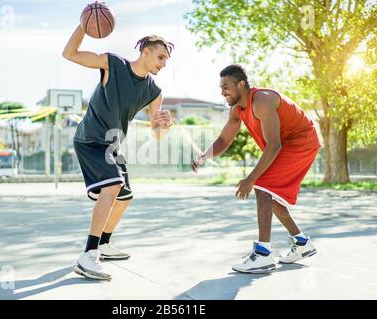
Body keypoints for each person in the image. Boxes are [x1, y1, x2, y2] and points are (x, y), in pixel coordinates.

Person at [62, 24, 174, 280]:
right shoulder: (113, 64)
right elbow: (70, 53)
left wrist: (164, 124)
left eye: (166, 60)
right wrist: (84, 25)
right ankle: (88, 255)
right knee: (112, 188)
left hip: (112, 146)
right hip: (91, 139)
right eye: (160, 57)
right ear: (145, 52)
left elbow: (157, 134)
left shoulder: (154, 91)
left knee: (124, 196)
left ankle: (103, 244)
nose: (163, 64)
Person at [192, 65, 321, 273]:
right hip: (285, 144)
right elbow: (225, 139)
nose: (222, 92)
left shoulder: (262, 100)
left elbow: (274, 145)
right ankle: (302, 243)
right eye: (220, 88)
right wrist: (203, 156)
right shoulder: (237, 109)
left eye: (226, 87)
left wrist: (250, 179)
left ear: (241, 84)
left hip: (301, 141)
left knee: (262, 186)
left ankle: (263, 255)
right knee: (268, 193)